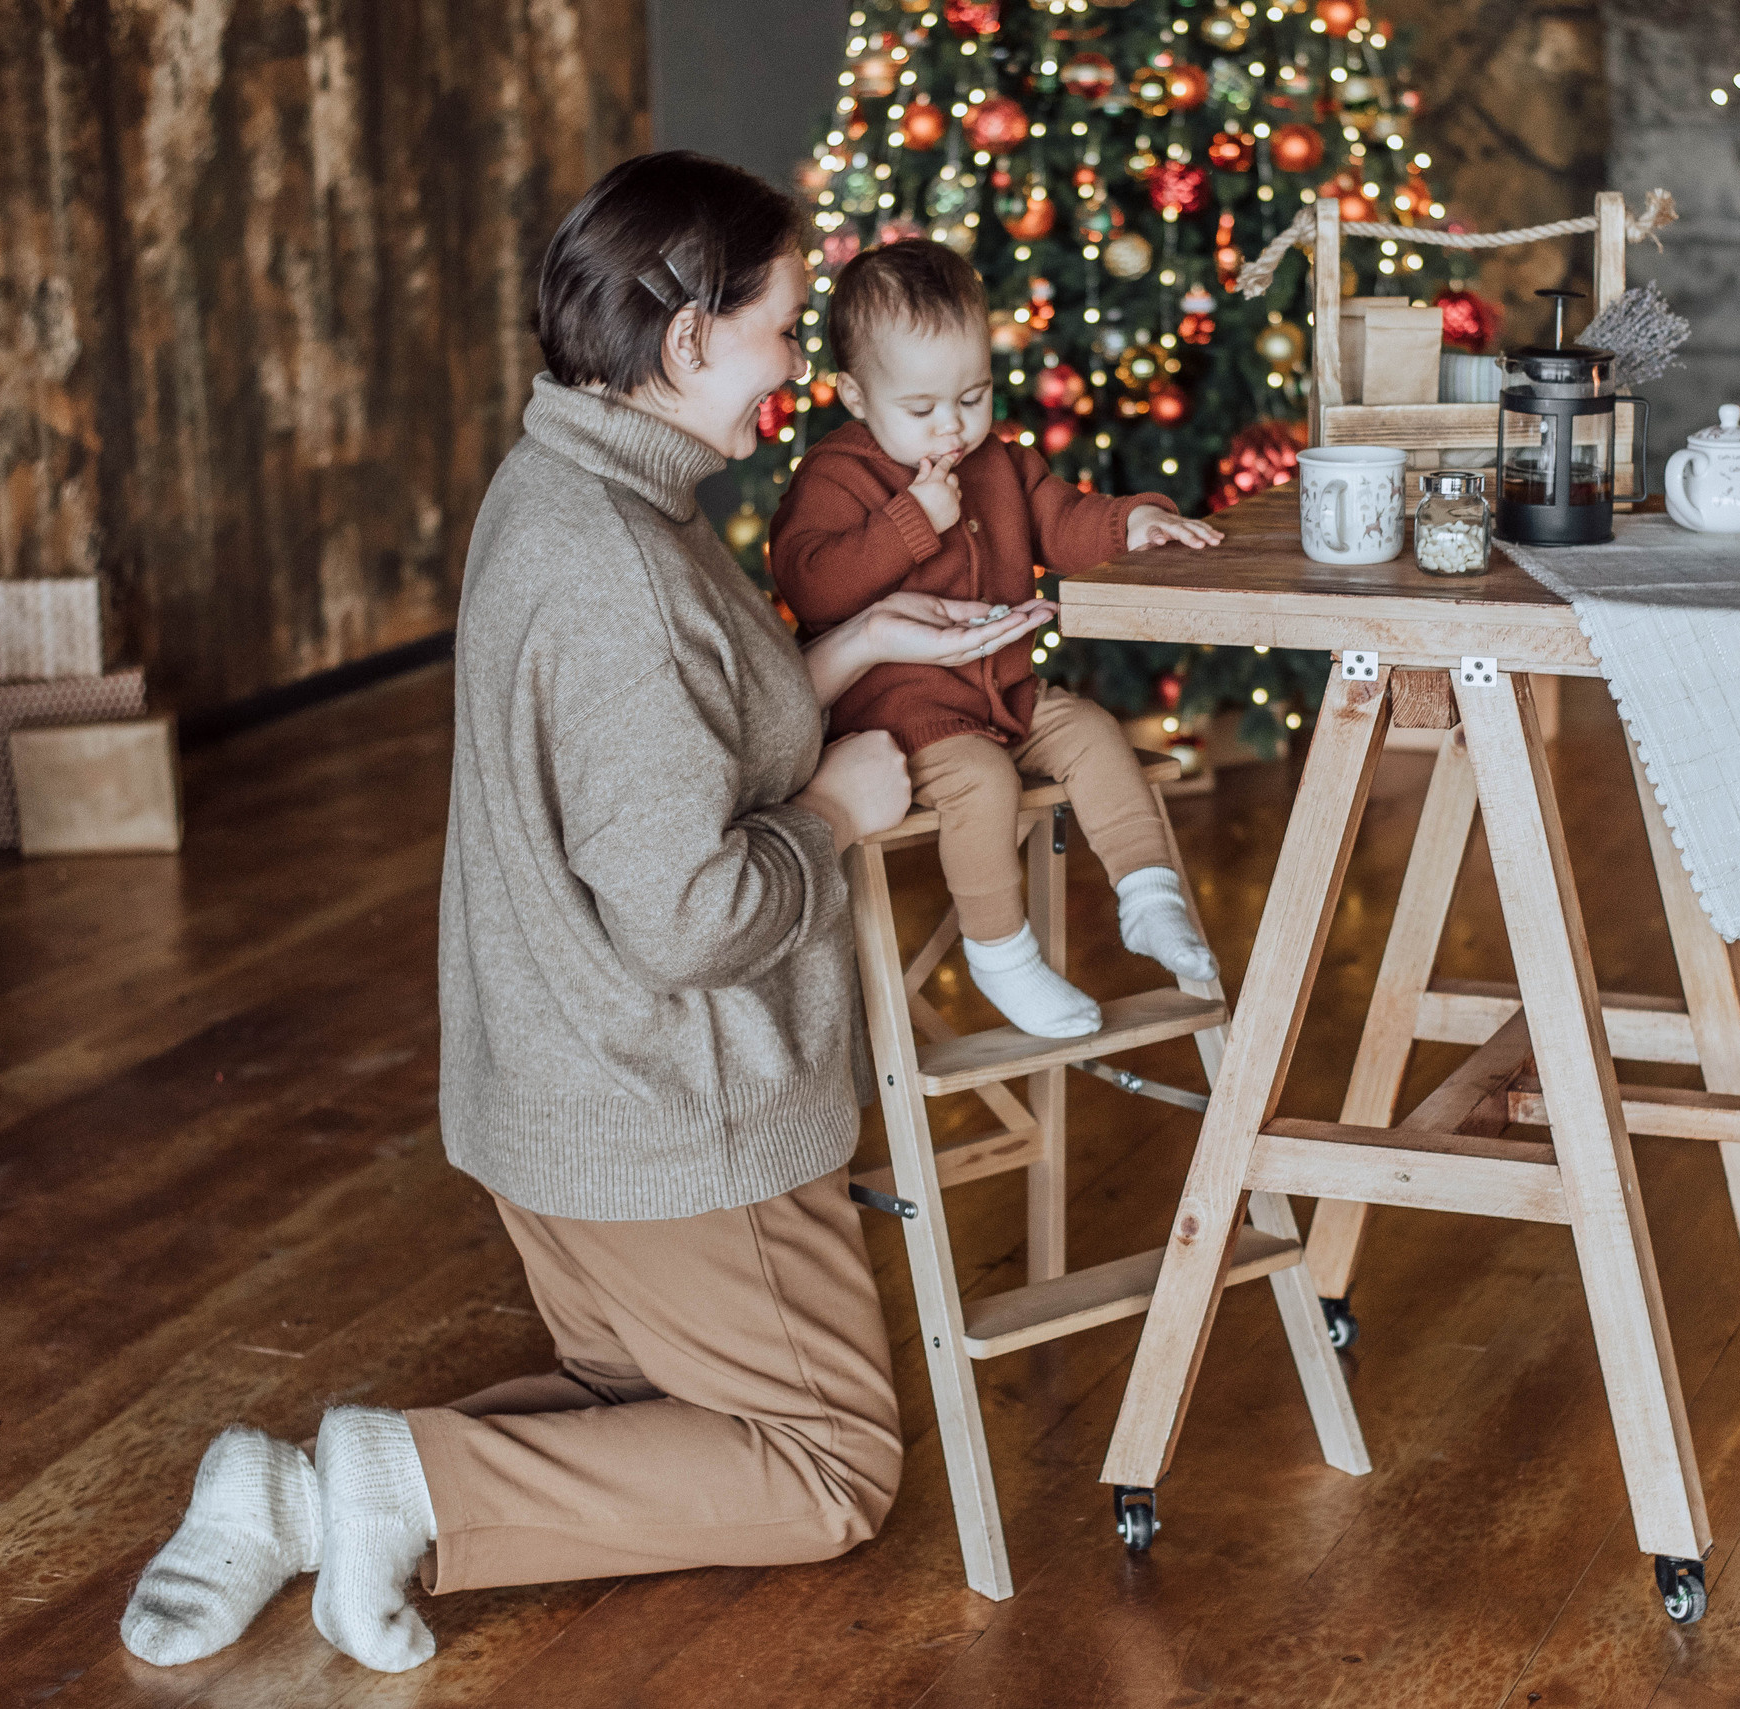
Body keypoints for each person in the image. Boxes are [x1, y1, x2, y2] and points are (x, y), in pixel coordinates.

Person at [118, 153, 1051, 1675]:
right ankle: (396, 1478)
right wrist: (837, 810)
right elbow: (688, 911)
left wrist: (857, 639)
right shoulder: (619, 565)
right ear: (688, 340)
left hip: (557, 1098)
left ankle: (292, 1498)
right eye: (780, 328)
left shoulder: (575, 485)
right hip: (665, 1109)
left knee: (651, 1415)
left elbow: (664, 751)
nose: (792, 366)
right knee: (823, 1466)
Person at [768, 240, 1223, 1040]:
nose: (953, 427)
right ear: (856, 395)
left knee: (1088, 729)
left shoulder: (1000, 464)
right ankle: (1001, 956)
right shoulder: (834, 476)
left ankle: (1149, 898)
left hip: (1009, 692)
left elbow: (1065, 519)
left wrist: (1133, 521)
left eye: (972, 396)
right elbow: (812, 583)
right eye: (922, 410)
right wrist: (908, 523)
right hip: (902, 716)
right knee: (981, 781)